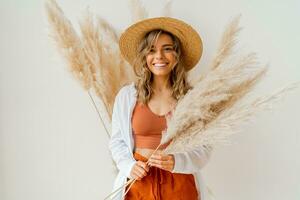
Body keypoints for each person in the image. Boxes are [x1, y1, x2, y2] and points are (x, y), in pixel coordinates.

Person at [109, 17, 212, 200]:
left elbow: (204, 149)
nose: (159, 56)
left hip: (179, 181)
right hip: (138, 182)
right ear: (144, 56)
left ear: (176, 55)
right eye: (151, 50)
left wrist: (176, 161)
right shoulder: (127, 96)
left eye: (167, 49)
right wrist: (129, 166)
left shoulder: (192, 98)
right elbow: (117, 142)